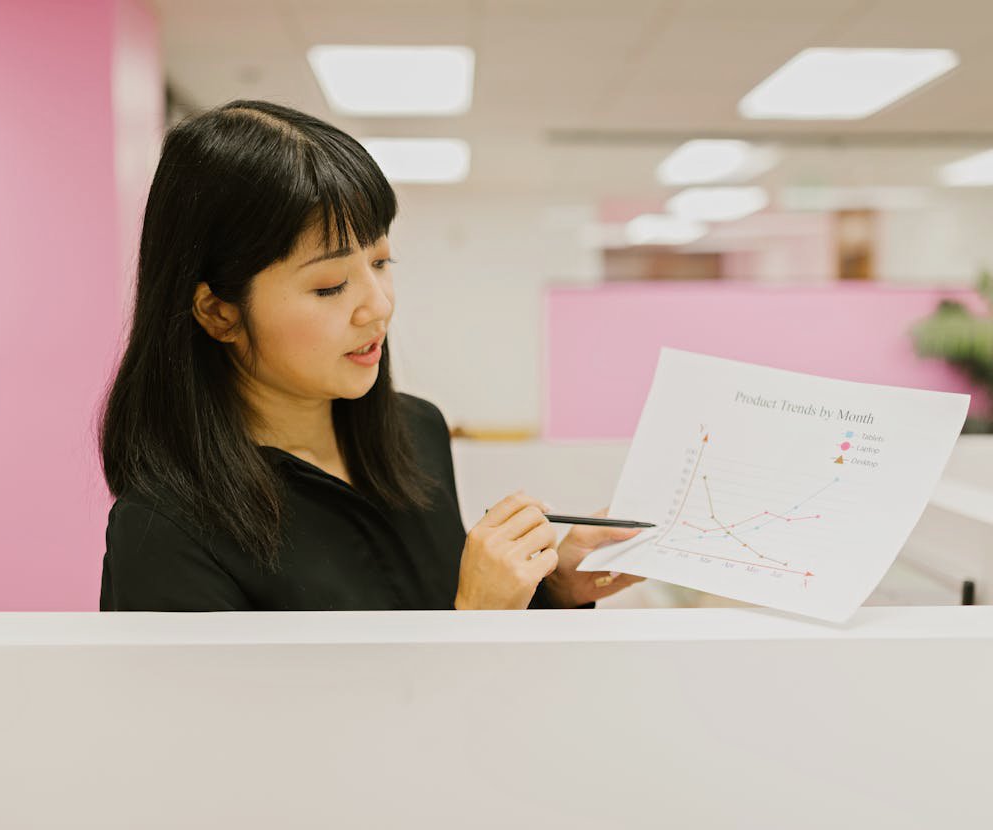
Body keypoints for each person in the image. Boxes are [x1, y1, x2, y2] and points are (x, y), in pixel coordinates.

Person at [97, 100, 644, 611]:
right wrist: (475, 621)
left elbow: (439, 608)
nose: (378, 306)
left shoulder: (417, 432)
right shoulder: (164, 530)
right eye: (330, 286)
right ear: (219, 313)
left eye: (381, 263)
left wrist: (554, 589)